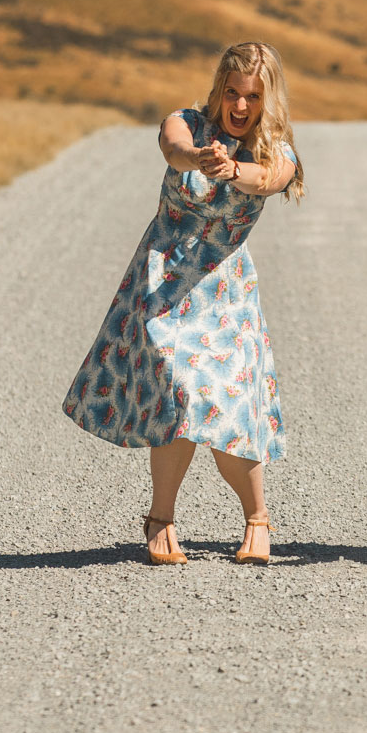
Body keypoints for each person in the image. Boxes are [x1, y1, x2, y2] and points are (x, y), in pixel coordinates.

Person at [63, 42, 303, 566]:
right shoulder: (187, 124)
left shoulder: (277, 149)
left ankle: (257, 517)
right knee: (180, 392)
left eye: (253, 97)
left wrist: (229, 172)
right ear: (218, 89)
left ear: (269, 100)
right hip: (164, 284)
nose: (240, 106)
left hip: (227, 292)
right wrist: (199, 157)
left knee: (228, 405)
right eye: (232, 93)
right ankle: (161, 517)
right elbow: (172, 148)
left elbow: (269, 179)